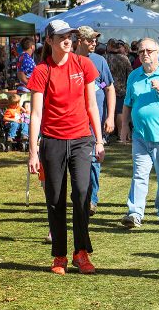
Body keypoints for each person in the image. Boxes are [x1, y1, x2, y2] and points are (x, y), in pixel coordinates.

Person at [27, 20, 105, 275]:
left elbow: (92, 105)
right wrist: (33, 151)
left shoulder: (84, 64)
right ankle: (59, 255)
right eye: (61, 36)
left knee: (82, 195)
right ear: (49, 40)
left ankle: (81, 253)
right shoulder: (41, 70)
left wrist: (100, 140)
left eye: (69, 35)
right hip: (52, 141)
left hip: (82, 139)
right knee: (55, 200)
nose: (67, 40)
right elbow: (36, 114)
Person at [119, 38, 159, 228]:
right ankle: (135, 213)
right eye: (141, 51)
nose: (145, 54)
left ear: (157, 53)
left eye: (149, 51)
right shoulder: (134, 76)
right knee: (139, 175)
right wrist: (124, 127)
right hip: (140, 136)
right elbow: (128, 103)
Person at [75, 26, 115, 215]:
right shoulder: (70, 61)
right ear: (79, 40)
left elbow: (109, 88)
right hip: (74, 121)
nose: (94, 43)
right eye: (90, 40)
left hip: (94, 122)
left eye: (95, 40)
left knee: (94, 161)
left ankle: (92, 199)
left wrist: (110, 116)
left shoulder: (99, 61)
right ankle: (80, 196)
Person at [105, 41, 133, 142]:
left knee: (110, 111)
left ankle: (112, 134)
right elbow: (130, 73)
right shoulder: (124, 58)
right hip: (122, 88)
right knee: (120, 112)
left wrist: (102, 86)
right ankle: (122, 134)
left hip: (107, 88)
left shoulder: (105, 58)